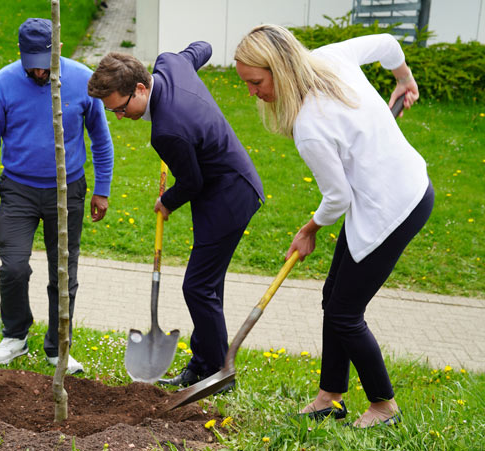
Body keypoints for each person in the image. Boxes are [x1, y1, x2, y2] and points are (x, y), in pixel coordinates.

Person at [234, 25, 434, 428]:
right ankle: (330, 396)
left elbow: (337, 198)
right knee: (334, 297)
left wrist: (308, 229)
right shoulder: (329, 57)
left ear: (280, 68)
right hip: (392, 189)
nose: (252, 93)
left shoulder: (309, 126)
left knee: (345, 312)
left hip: (393, 207)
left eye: (256, 82)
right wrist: (404, 79)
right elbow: (388, 45)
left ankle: (383, 406)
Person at [88, 43, 265, 388]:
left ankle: (218, 374)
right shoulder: (170, 63)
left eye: (121, 109)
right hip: (224, 183)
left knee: (197, 288)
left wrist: (166, 201)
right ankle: (202, 365)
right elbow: (202, 49)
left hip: (229, 196)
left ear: (140, 88)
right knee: (208, 286)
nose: (120, 118)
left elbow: (192, 182)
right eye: (113, 112)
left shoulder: (166, 131)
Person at [0, 18, 114, 374]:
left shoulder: (83, 79)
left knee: (64, 273)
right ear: (19, 53)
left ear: (59, 50)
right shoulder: (3, 83)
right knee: (14, 266)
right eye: (31, 61)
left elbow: (101, 139)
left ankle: (58, 346)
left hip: (68, 190)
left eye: (45, 61)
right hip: (18, 190)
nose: (39, 70)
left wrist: (102, 189)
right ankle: (15, 335)